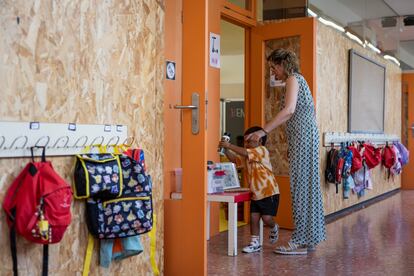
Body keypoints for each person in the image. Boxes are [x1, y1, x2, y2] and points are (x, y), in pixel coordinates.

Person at [245, 49, 326, 255]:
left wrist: (264, 130)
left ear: (284, 64)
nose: (273, 73)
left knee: (301, 189)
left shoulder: (293, 79)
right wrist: (292, 145)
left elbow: (289, 110)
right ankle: (309, 238)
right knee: (307, 188)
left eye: (274, 67)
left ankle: (299, 241)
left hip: (304, 138)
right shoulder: (297, 80)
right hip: (303, 139)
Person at [218, 126, 280, 253]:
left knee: (266, 218)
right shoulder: (247, 156)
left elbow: (245, 153)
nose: (246, 144)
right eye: (245, 141)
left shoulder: (262, 151)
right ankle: (254, 242)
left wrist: (229, 146)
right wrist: (225, 149)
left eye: (249, 141)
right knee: (253, 218)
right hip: (256, 194)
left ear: (260, 141)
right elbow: (235, 160)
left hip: (269, 192)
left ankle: (274, 226)